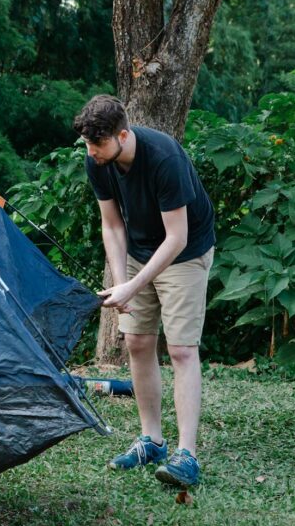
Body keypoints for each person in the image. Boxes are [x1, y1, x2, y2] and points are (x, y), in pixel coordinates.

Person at [73, 95, 215, 487]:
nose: (91, 153)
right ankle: (151, 439)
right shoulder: (97, 158)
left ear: (123, 134)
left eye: (98, 145)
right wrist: (123, 284)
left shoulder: (164, 158)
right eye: (88, 145)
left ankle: (187, 455)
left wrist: (134, 284)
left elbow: (177, 237)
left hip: (184, 252)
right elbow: (112, 225)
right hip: (138, 249)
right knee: (136, 342)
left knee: (182, 349)